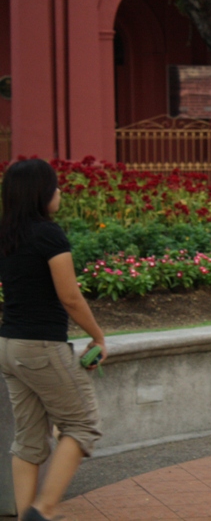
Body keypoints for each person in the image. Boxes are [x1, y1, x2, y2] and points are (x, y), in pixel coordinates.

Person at [0, 159, 105, 521]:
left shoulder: (6, 233)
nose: (59, 191)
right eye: (54, 186)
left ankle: (25, 515)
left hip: (9, 347)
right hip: (42, 347)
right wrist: (97, 336)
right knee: (83, 424)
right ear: (39, 193)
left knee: (29, 440)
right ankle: (42, 509)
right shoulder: (49, 234)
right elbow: (71, 297)